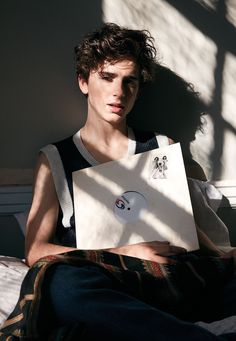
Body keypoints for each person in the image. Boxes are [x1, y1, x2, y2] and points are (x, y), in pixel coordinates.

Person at [1, 23, 236, 340]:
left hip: (178, 278)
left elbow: (184, 223)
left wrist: (220, 253)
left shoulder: (161, 146)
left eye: (130, 82)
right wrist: (123, 251)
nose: (119, 92)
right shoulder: (56, 158)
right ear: (84, 82)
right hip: (115, 284)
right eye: (107, 77)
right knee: (58, 282)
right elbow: (36, 250)